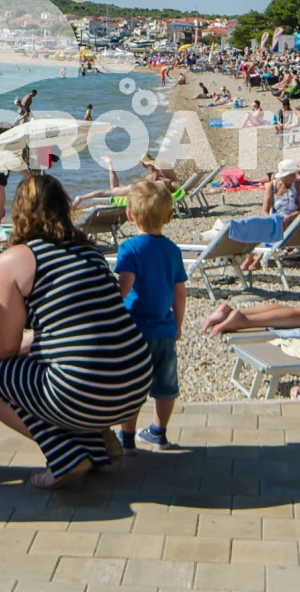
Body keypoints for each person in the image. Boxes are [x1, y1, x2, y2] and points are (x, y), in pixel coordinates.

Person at [0, 176, 152, 489]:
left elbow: (5, 347)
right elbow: (73, 325)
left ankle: (66, 456)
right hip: (135, 384)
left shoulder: (14, 260)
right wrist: (13, 346)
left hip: (86, 391)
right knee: (55, 371)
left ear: (20, 211)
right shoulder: (90, 252)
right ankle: (96, 440)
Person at [111, 180, 185, 450]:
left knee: (130, 385)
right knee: (165, 385)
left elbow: (125, 286)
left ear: (129, 216)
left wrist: (110, 314)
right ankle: (158, 432)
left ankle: (127, 437)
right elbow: (179, 293)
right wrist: (177, 324)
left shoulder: (130, 248)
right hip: (164, 329)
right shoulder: (173, 250)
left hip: (134, 330)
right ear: (169, 216)